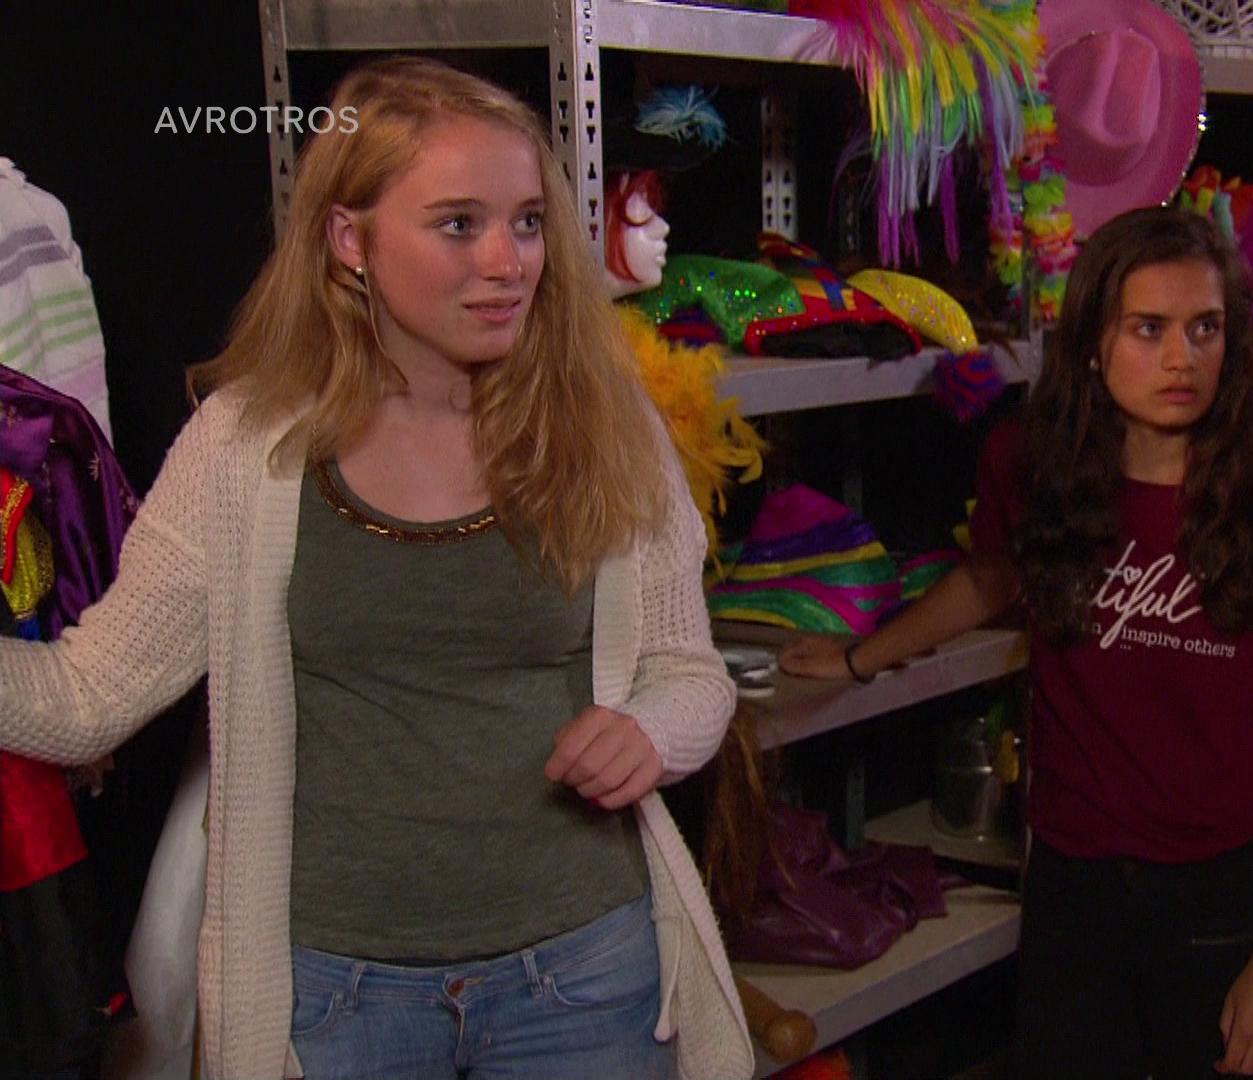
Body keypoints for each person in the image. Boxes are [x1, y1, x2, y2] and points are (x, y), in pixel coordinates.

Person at [0, 57, 753, 1080]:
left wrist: (650, 732)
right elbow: (90, 696)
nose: (508, 261)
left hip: (583, 974)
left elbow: (690, 672)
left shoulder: (604, 425)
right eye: (459, 224)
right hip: (337, 998)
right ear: (351, 240)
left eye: (528, 222)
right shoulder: (244, 449)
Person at [781, 206, 1253, 1078]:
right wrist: (862, 655)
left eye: (1205, 329)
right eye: (1150, 329)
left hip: (1215, 891)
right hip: (1071, 882)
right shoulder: (1034, 464)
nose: (1183, 358)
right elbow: (990, 578)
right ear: (1091, 343)